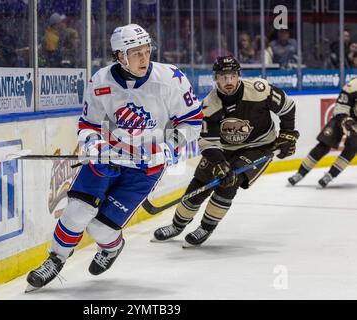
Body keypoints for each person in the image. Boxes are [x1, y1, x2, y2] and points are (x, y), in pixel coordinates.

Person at [25, 23, 202, 291]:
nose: (144, 58)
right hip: (107, 159)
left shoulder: (171, 79)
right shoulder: (100, 82)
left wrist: (168, 149)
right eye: (136, 53)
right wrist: (94, 146)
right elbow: (88, 125)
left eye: (146, 51)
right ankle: (56, 259)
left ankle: (112, 246)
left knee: (99, 228)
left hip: (146, 167)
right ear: (120, 56)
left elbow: (192, 121)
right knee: (77, 211)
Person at [153, 55, 299, 247]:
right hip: (223, 149)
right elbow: (207, 142)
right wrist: (220, 163)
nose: (228, 81)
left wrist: (288, 133)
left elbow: (288, 107)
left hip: (259, 146)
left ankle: (206, 227)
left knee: (231, 182)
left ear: (238, 75)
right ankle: (177, 225)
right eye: (223, 77)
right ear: (215, 78)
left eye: (232, 76)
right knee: (198, 185)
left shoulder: (259, 90)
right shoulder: (209, 105)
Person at [288, 78, 357, 188]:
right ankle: (300, 173)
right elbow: (340, 108)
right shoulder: (353, 85)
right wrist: (346, 121)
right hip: (344, 118)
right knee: (324, 144)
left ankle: (331, 175)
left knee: (353, 146)